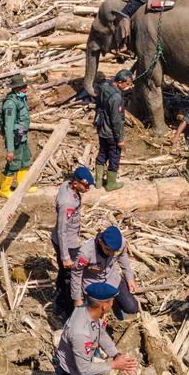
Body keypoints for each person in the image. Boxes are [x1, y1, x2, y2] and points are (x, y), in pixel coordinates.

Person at [71, 226, 139, 319]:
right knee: (93, 317)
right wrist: (77, 298)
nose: (111, 253)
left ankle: (114, 303)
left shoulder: (121, 243)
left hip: (112, 279)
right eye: (108, 249)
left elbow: (123, 256)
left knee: (132, 308)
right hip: (93, 284)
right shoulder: (86, 252)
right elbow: (76, 273)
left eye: (114, 251)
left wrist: (130, 278)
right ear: (100, 242)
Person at [52, 167, 94, 316]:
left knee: (64, 274)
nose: (88, 188)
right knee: (71, 276)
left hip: (68, 239)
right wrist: (65, 257)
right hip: (67, 244)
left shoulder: (66, 185)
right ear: (75, 184)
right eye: (86, 185)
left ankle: (59, 300)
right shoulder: (67, 203)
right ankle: (68, 308)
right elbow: (62, 231)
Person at [94, 69, 133, 191]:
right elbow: (117, 121)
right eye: (127, 84)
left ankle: (98, 181)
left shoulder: (105, 86)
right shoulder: (116, 98)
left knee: (102, 154)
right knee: (114, 157)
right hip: (111, 133)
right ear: (120, 82)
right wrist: (120, 139)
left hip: (101, 129)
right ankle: (111, 184)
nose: (128, 86)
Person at [0, 74, 35, 198]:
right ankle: (4, 189)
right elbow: (8, 128)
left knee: (25, 160)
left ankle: (23, 185)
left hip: (22, 137)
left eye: (25, 86)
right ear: (16, 88)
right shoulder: (10, 104)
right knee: (12, 165)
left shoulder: (21, 99)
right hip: (14, 140)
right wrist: (10, 150)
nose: (25, 89)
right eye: (23, 87)